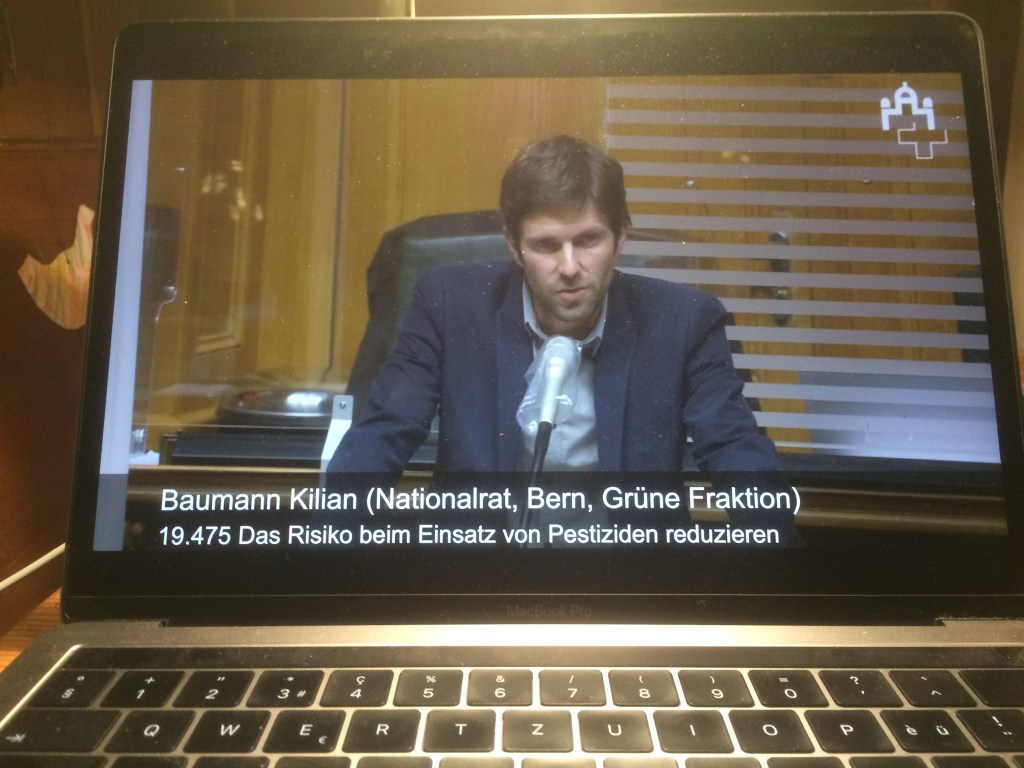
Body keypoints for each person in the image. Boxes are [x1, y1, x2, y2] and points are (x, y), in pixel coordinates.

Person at [328, 135, 780, 475]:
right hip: (483, 567)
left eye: (588, 240)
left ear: (621, 236)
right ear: (513, 244)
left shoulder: (684, 321)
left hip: (625, 568)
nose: (569, 267)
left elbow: (736, 450)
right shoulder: (448, 305)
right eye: (546, 245)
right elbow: (382, 435)